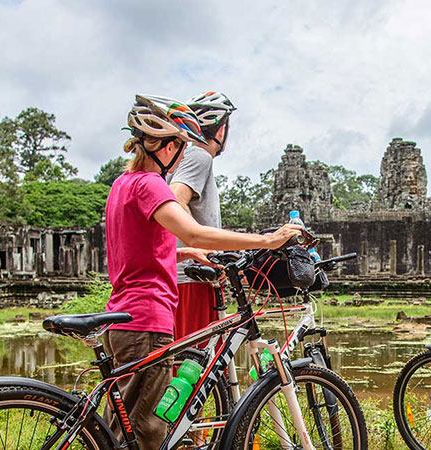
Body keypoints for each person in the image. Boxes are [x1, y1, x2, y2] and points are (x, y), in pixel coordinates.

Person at [103, 93, 301, 449]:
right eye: (180, 146)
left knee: (119, 430)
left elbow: (135, 251)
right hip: (147, 320)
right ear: (166, 147)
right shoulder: (150, 185)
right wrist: (266, 241)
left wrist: (184, 254)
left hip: (120, 316)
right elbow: (192, 229)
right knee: (148, 431)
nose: (182, 156)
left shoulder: (121, 185)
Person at [167, 91, 235, 344]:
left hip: (190, 275)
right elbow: (176, 198)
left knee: (197, 363)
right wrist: (203, 250)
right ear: (221, 130)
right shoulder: (198, 156)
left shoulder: (184, 158)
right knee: (195, 363)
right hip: (190, 277)